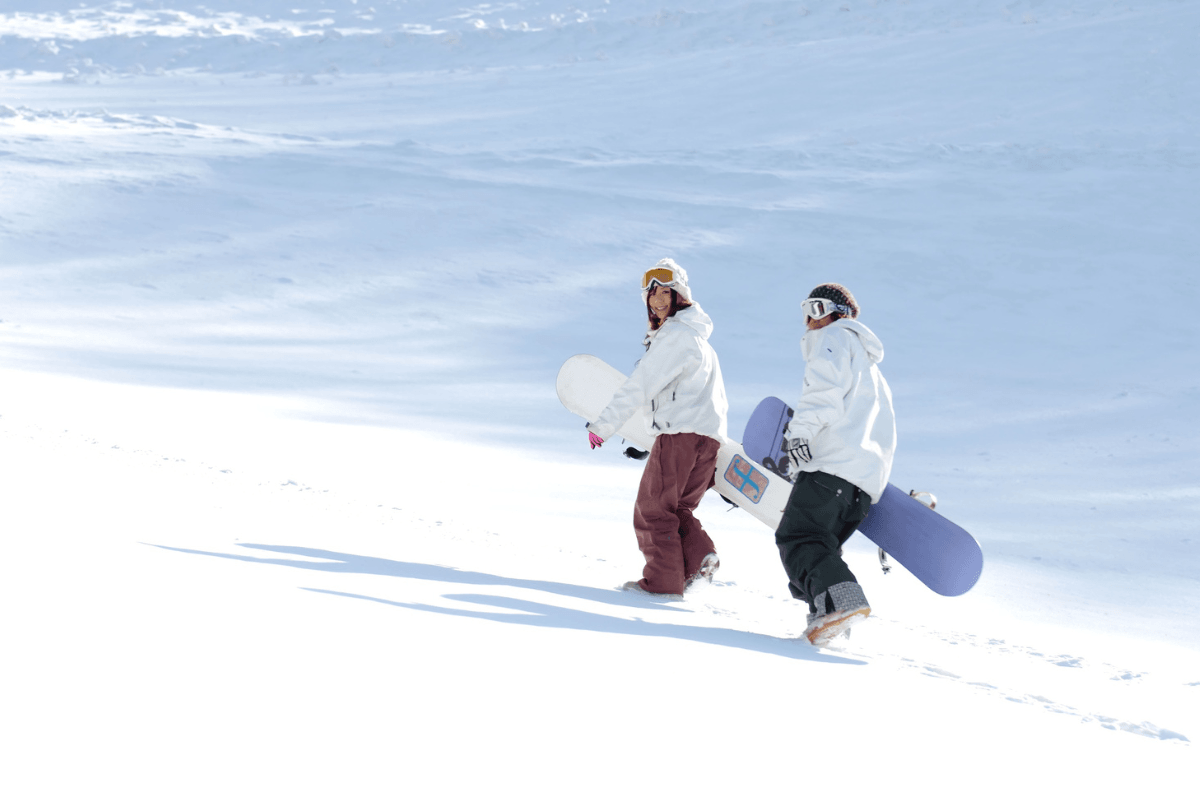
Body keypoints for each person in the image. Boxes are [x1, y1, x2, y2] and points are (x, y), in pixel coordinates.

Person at [586, 259, 730, 599]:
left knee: (652, 511)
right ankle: (698, 558)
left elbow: (640, 385)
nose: (658, 301)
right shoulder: (701, 343)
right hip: (708, 442)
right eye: (651, 295)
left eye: (666, 292)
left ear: (680, 296)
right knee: (679, 510)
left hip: (680, 438)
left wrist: (604, 426)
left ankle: (663, 585)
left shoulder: (675, 336)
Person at [775, 283, 896, 645]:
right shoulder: (874, 374)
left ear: (839, 313)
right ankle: (826, 613)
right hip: (859, 486)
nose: (809, 322)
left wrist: (800, 434)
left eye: (816, 309)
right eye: (805, 312)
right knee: (820, 546)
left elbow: (822, 394)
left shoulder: (835, 339)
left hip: (831, 469)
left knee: (799, 537)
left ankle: (841, 605)